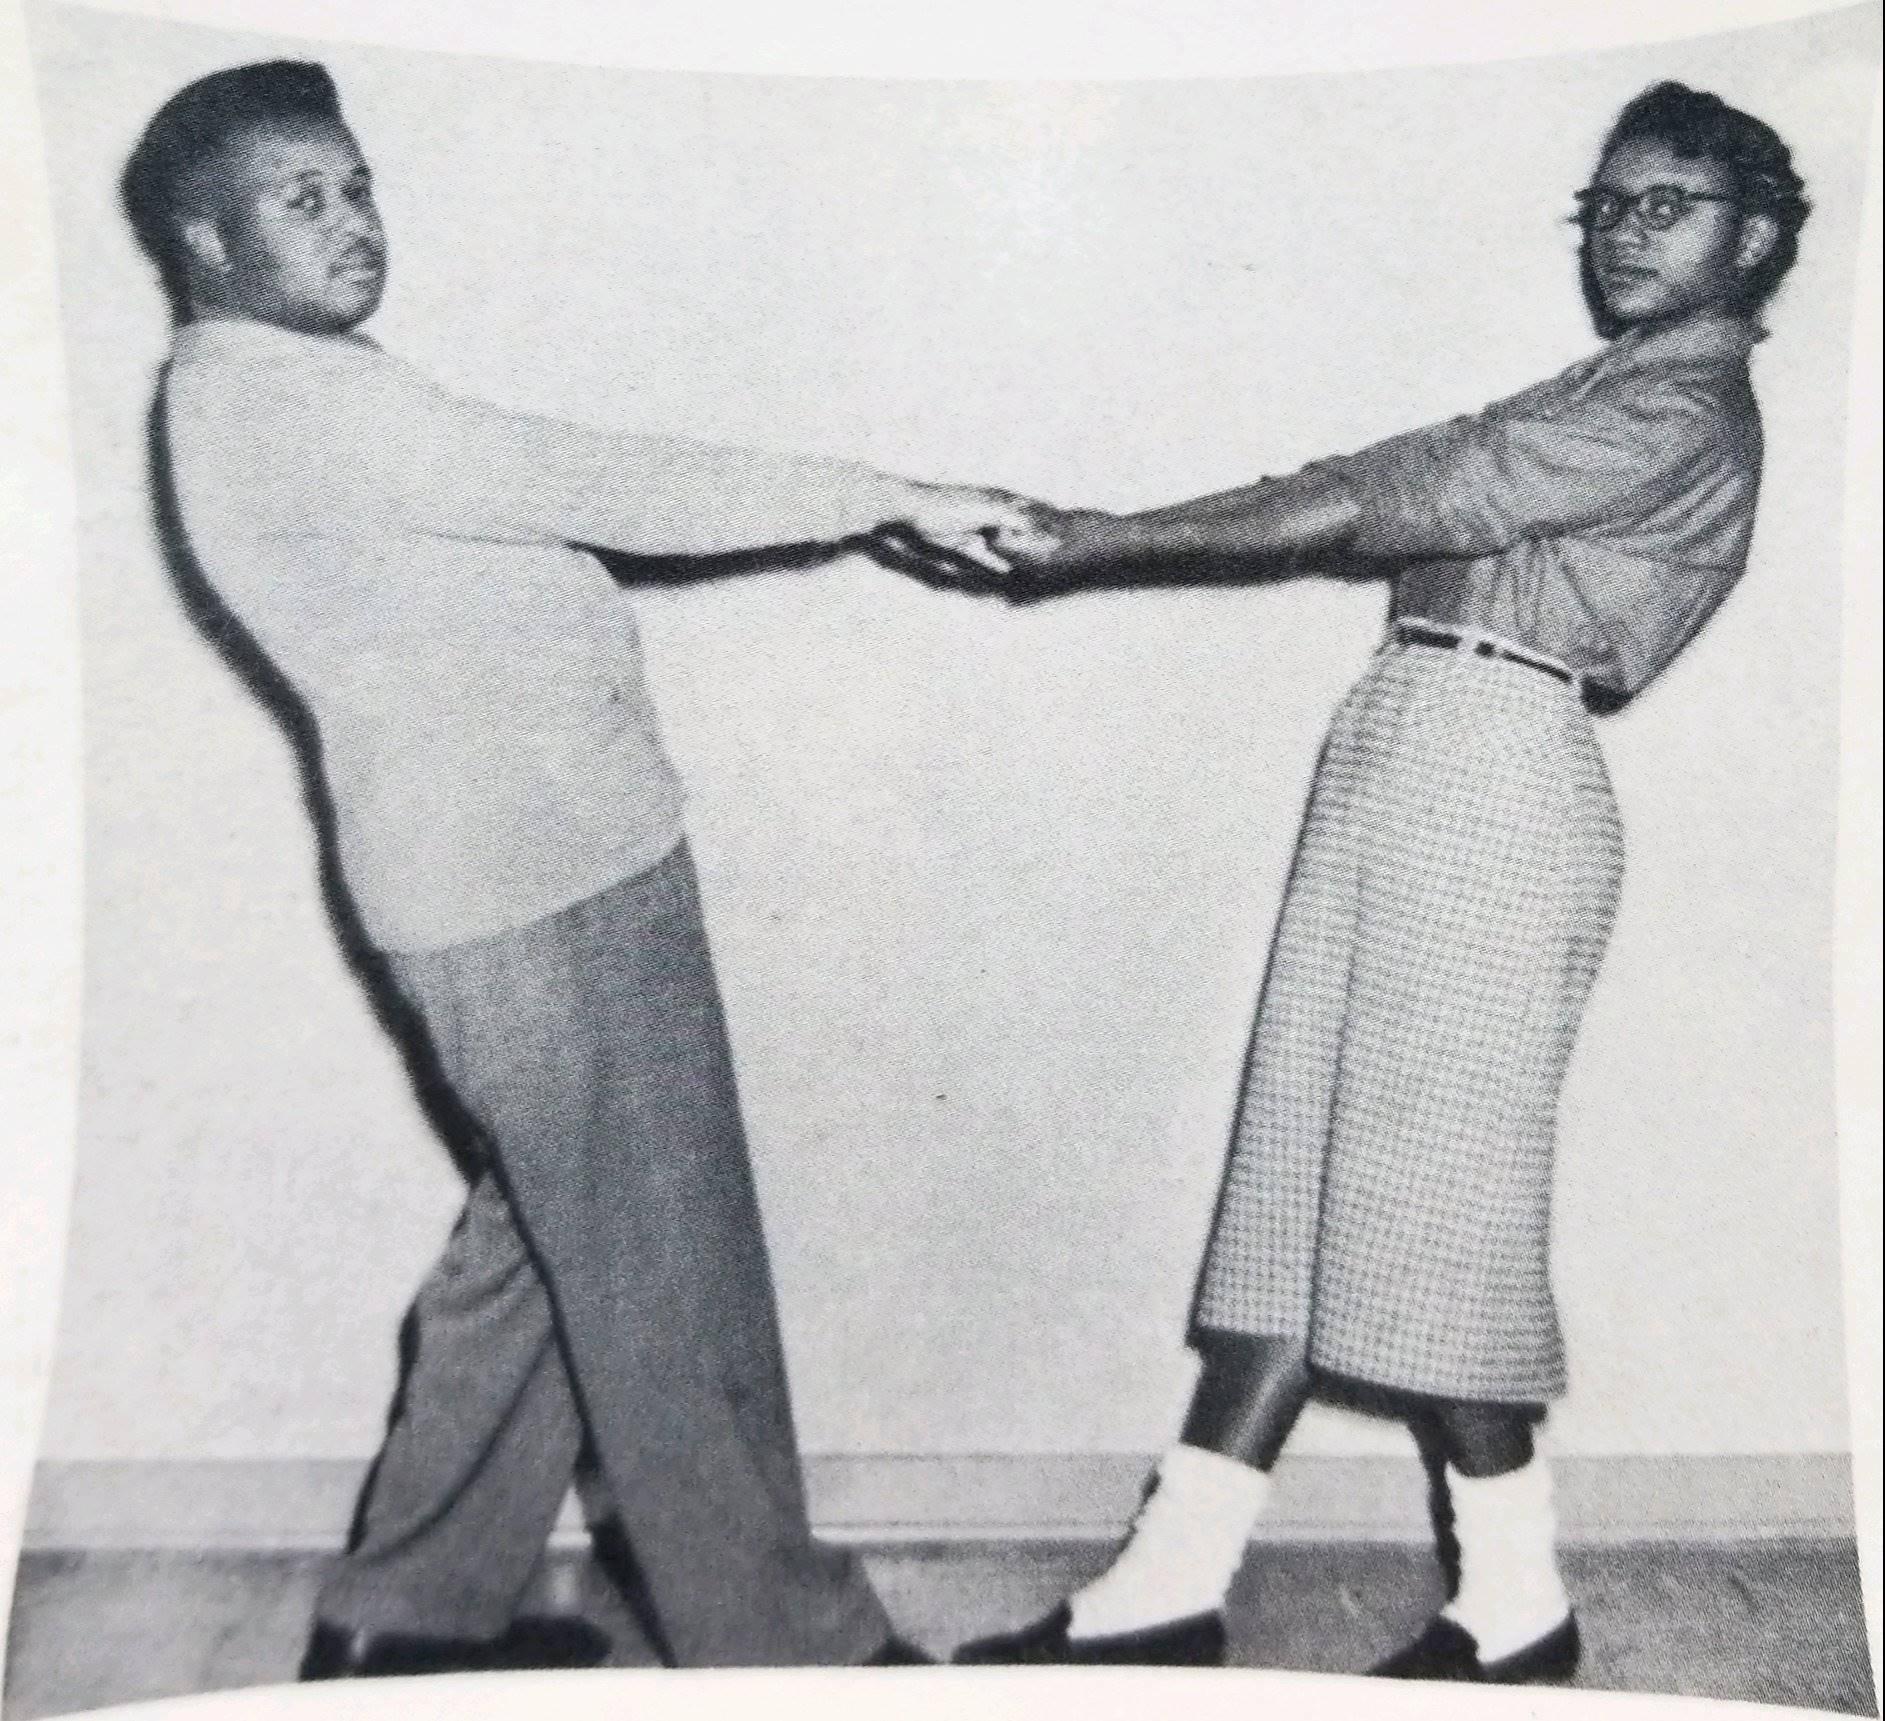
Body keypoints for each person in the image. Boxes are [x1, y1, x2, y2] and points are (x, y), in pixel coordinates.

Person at [121, 59, 1051, 1676]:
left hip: (536, 872)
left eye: (357, 187)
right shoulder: (281, 400)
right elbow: (604, 480)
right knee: (669, 1287)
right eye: (303, 198)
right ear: (206, 243)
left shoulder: (284, 389)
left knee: (543, 1257)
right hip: (531, 891)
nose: (353, 224)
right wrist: (886, 496)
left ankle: (401, 1622)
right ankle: (797, 1655)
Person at [951, 81, 1810, 1682]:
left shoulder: (1676, 408)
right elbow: (1394, 475)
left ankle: (1514, 1600)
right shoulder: (1609, 381)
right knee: (1294, 1183)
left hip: (1496, 765)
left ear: (1751, 237)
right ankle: (1169, 1578)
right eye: (1608, 204)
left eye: (1665, 204)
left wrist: (1106, 539)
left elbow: (1379, 498)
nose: (1626, 231)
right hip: (1412, 735)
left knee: (1436, 1212)